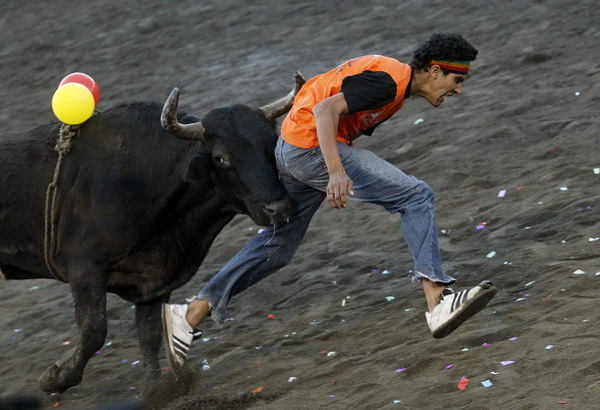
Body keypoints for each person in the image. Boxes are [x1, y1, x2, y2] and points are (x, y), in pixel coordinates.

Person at [161, 32, 497, 371]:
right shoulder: (391, 82)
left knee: (281, 245)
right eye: (457, 79)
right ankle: (438, 300)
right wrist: (335, 171)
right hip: (311, 151)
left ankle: (190, 313)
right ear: (435, 71)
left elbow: (320, 95)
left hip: (292, 148)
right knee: (416, 196)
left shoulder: (391, 80)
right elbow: (325, 109)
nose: (458, 90)